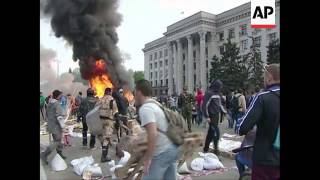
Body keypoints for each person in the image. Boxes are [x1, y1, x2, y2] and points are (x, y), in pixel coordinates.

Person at [236, 64, 280, 180]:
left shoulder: (263, 97)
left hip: (266, 159)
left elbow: (242, 127)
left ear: (269, 77)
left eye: (264, 77)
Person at [135, 80, 179, 180]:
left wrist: (148, 159)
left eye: (135, 92)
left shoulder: (146, 109)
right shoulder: (156, 104)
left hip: (161, 153)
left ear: (139, 92)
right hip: (172, 149)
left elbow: (152, 133)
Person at [41, 90, 66, 164]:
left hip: (51, 125)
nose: (61, 97)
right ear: (58, 96)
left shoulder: (49, 103)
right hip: (56, 126)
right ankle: (44, 154)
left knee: (59, 140)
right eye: (60, 95)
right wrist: (63, 126)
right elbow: (59, 117)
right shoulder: (57, 104)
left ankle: (59, 154)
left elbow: (46, 115)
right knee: (57, 141)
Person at [202, 79, 226, 155]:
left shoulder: (218, 94)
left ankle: (206, 148)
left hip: (216, 116)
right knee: (216, 133)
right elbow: (204, 106)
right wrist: (207, 116)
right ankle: (216, 151)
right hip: (211, 117)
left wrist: (224, 111)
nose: (220, 88)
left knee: (211, 133)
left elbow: (220, 104)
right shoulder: (209, 93)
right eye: (219, 86)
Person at [95, 88, 118, 162]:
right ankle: (104, 157)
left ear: (105, 92)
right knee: (107, 138)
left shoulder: (100, 99)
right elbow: (115, 111)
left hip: (100, 120)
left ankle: (104, 153)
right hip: (109, 120)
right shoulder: (112, 100)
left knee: (102, 137)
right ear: (110, 92)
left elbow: (95, 110)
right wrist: (117, 120)